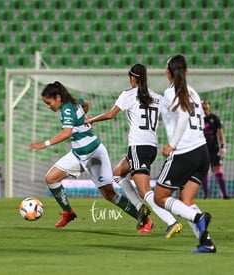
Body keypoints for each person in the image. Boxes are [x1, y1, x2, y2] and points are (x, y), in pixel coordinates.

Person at [28, 81, 151, 231]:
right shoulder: (72, 101)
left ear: (58, 98)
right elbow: (85, 103)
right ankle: (68, 212)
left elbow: (66, 133)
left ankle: (145, 221)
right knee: (51, 178)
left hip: (94, 154)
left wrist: (44, 144)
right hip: (78, 153)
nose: (48, 106)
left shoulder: (66, 109)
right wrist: (85, 119)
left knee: (109, 194)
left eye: (49, 102)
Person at [85, 64, 182, 237]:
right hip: (151, 146)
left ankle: (171, 221)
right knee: (117, 174)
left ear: (132, 78)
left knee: (145, 190)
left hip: (139, 147)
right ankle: (140, 209)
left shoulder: (129, 95)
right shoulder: (157, 97)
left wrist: (92, 119)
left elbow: (110, 114)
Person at [154, 55, 216, 253]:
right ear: (187, 71)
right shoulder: (193, 93)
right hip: (202, 152)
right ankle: (206, 243)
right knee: (186, 202)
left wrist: (172, 144)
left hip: (184, 152)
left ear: (167, 72)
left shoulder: (171, 91)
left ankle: (199, 218)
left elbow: (182, 116)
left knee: (159, 197)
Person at [201, 99, 230, 199]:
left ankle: (225, 194)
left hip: (214, 149)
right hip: (202, 150)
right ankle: (206, 195)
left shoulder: (214, 118)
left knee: (218, 171)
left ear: (209, 105)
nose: (204, 106)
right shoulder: (198, 119)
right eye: (202, 104)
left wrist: (223, 146)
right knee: (204, 172)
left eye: (206, 103)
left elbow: (220, 133)